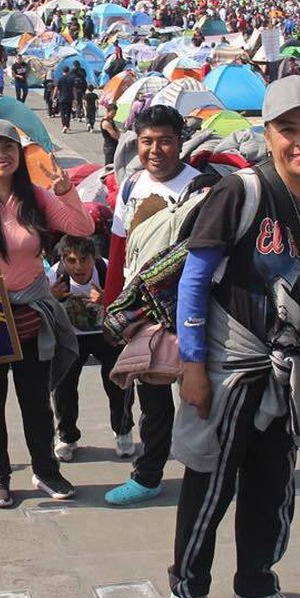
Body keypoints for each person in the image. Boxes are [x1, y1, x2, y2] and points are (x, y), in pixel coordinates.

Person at [168, 75, 300, 598]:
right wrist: (193, 365)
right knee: (212, 479)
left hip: (292, 367)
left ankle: (256, 583)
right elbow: (195, 282)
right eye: (287, 129)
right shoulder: (241, 192)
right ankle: (188, 587)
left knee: (274, 482)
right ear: (268, 133)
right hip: (232, 367)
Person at [0, 121, 92, 509]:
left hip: (31, 317)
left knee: (36, 401)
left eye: (8, 147)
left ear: (20, 155)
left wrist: (66, 191)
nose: (0, 155)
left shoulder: (37, 198)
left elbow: (82, 226)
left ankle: (46, 470)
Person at [103, 106, 206, 502]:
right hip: (143, 313)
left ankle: (210, 465)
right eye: (147, 141)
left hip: (192, 309)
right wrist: (114, 307)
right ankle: (148, 476)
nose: (155, 149)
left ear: (179, 141)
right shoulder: (130, 187)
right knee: (153, 399)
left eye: (164, 140)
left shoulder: (203, 186)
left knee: (200, 393)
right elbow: (119, 246)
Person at [49, 235, 127, 462]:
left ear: (94, 258)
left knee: (117, 382)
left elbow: (128, 302)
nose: (78, 267)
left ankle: (122, 431)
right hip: (71, 338)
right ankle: (66, 436)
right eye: (71, 260)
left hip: (106, 334)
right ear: (63, 260)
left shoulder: (109, 271)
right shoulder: (54, 275)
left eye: (84, 260)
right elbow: (41, 307)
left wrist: (107, 299)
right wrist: (52, 298)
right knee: (64, 386)